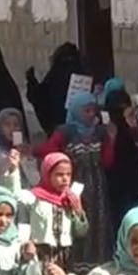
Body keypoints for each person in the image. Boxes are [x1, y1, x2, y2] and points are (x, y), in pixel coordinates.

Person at [38, 88, 113, 263]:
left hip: (98, 188)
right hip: (73, 184)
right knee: (76, 221)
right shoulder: (65, 132)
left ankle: (97, 261)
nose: (91, 114)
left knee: (98, 224)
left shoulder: (100, 132)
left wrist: (111, 139)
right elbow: (49, 151)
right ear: (76, 110)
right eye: (86, 110)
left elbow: (107, 162)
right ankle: (76, 262)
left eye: (93, 110)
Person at [102, 86, 138, 235]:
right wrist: (111, 138)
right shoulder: (105, 129)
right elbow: (105, 160)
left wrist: (134, 126)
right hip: (112, 184)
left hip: (133, 182)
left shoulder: (131, 126)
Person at [31, 42, 83, 133]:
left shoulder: (55, 73)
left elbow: (39, 96)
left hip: (56, 125)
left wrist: (31, 82)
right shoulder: (81, 71)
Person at [0, 108, 32, 191]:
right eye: (7, 125)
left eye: (16, 125)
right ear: (0, 128)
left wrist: (25, 158)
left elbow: (35, 181)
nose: (12, 128)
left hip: (26, 195)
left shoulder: (26, 150)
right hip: (3, 195)